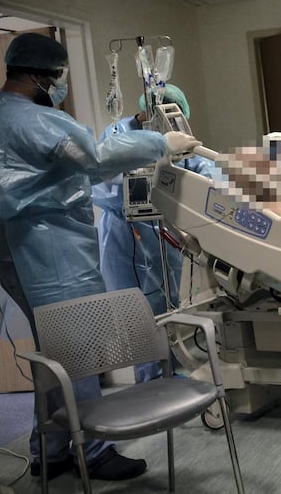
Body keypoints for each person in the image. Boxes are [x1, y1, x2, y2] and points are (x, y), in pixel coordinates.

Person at [0, 33, 200, 482]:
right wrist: (160, 143)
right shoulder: (34, 119)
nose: (60, 85)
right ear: (41, 76)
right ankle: (91, 451)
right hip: (51, 247)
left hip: (17, 244)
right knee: (78, 349)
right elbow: (94, 157)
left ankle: (52, 448)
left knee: (52, 351)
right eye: (58, 77)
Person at [92, 85, 213, 382]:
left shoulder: (178, 136)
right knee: (137, 317)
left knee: (174, 308)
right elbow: (100, 185)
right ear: (147, 111)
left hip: (168, 236)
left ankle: (180, 375)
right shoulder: (118, 136)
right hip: (125, 237)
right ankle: (152, 383)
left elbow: (201, 169)